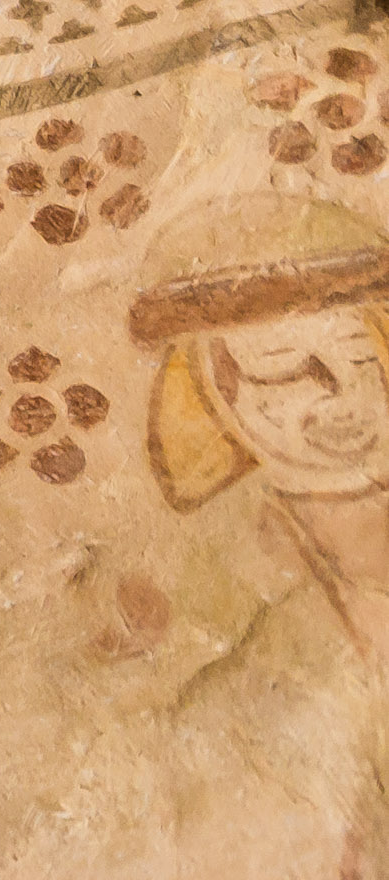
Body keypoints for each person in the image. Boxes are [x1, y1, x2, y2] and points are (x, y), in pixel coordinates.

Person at [129, 194, 389, 859]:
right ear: (215, 391)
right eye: (287, 370)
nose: (340, 394)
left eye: (362, 360)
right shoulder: (241, 614)